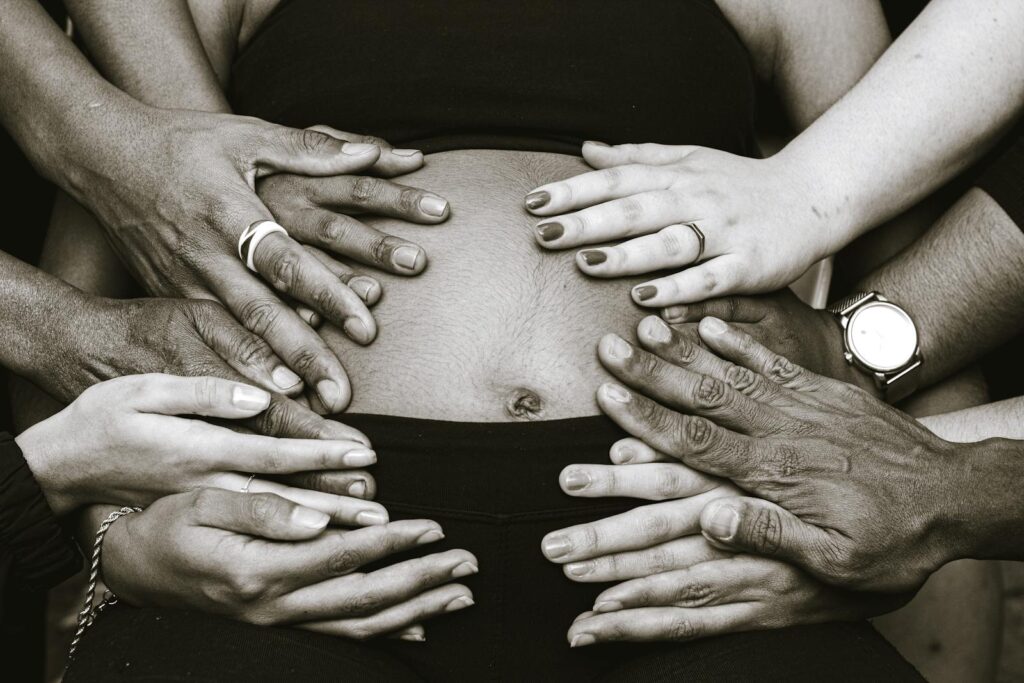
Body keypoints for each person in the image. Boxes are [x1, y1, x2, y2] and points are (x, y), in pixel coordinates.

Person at [16, 0, 963, 680]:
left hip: (697, 532)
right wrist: (122, 543)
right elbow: (111, 274)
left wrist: (945, 626)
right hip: (299, 532)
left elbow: (909, 280)